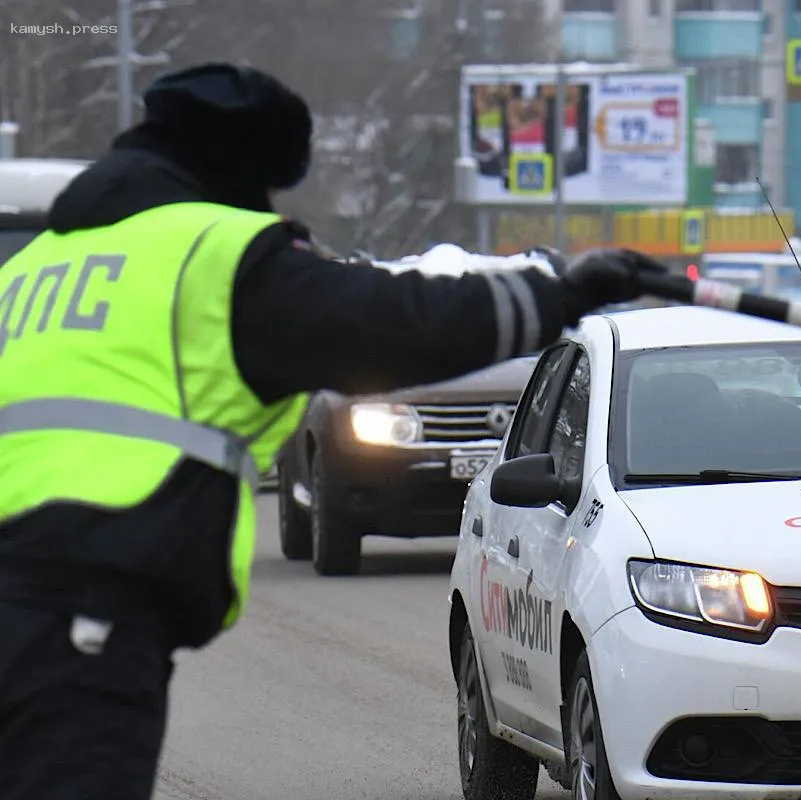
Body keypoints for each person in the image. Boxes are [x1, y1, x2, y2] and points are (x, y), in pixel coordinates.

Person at [0, 62, 667, 800]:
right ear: (239, 167)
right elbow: (398, 325)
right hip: (77, 623)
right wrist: (559, 293)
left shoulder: (32, 270)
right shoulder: (215, 256)